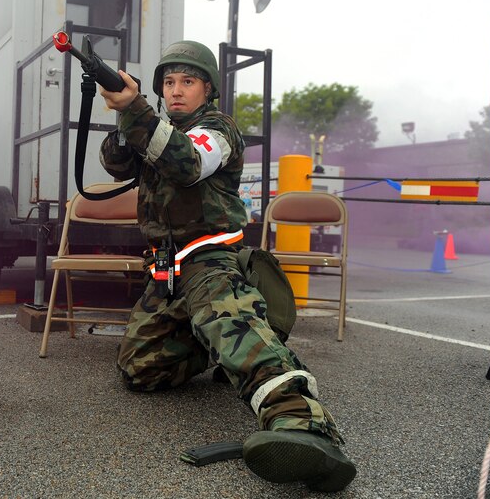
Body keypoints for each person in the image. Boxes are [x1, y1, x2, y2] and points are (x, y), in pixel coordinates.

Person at [98, 40, 357, 492]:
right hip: (165, 273)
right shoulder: (154, 128)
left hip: (209, 260)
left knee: (230, 322)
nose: (176, 91)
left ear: (208, 89)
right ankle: (217, 335)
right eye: (169, 83)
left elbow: (188, 162)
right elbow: (114, 162)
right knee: (140, 371)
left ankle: (302, 424)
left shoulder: (217, 130)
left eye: (188, 81)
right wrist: (126, 115)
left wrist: (137, 111)